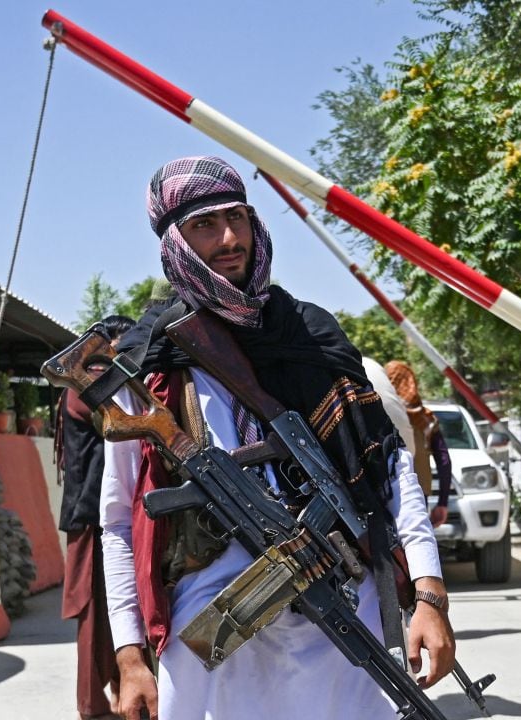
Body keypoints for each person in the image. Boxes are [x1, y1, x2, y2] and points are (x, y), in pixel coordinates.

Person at [99, 156, 455, 720]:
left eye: (237, 218)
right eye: (204, 226)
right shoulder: (148, 370)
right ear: (174, 243)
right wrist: (129, 654)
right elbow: (119, 521)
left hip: (336, 619)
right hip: (213, 642)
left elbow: (391, 473)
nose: (228, 238)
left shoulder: (312, 337)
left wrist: (430, 596)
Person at [56, 314, 136, 720]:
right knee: (94, 612)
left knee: (115, 611)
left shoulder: (91, 378)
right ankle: (93, 706)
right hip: (93, 513)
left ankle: (120, 696)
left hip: (95, 509)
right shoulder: (90, 381)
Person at [385, 360, 453, 527]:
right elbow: (444, 461)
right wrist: (443, 502)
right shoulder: (426, 419)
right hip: (417, 495)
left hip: (383, 493)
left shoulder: (379, 412)